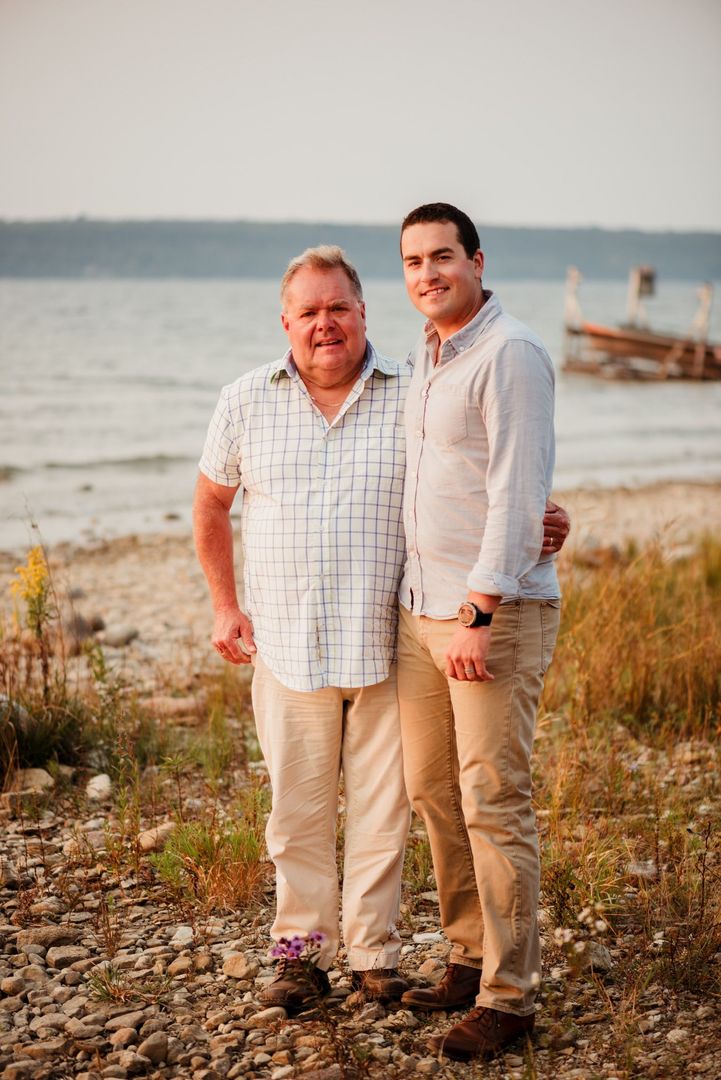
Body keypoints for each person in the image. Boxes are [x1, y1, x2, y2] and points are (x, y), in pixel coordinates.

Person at [193, 242, 569, 1015]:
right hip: (286, 647)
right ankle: (299, 956)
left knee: (383, 814)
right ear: (285, 321)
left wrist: (544, 513)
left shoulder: (413, 388)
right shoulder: (242, 399)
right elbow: (209, 505)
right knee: (294, 816)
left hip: (387, 640)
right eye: (308, 312)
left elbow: (479, 473)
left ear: (363, 312)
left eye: (338, 308)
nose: (324, 324)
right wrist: (224, 607)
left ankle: (372, 957)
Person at [396, 203, 563, 1061]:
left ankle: (510, 996)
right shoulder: (426, 360)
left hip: (487, 617)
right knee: (434, 793)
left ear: (476, 259)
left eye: (442, 256)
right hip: (421, 612)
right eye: (413, 261)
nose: (427, 273)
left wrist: (481, 611)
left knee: (492, 801)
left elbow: (514, 487)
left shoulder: (511, 353)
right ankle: (467, 952)